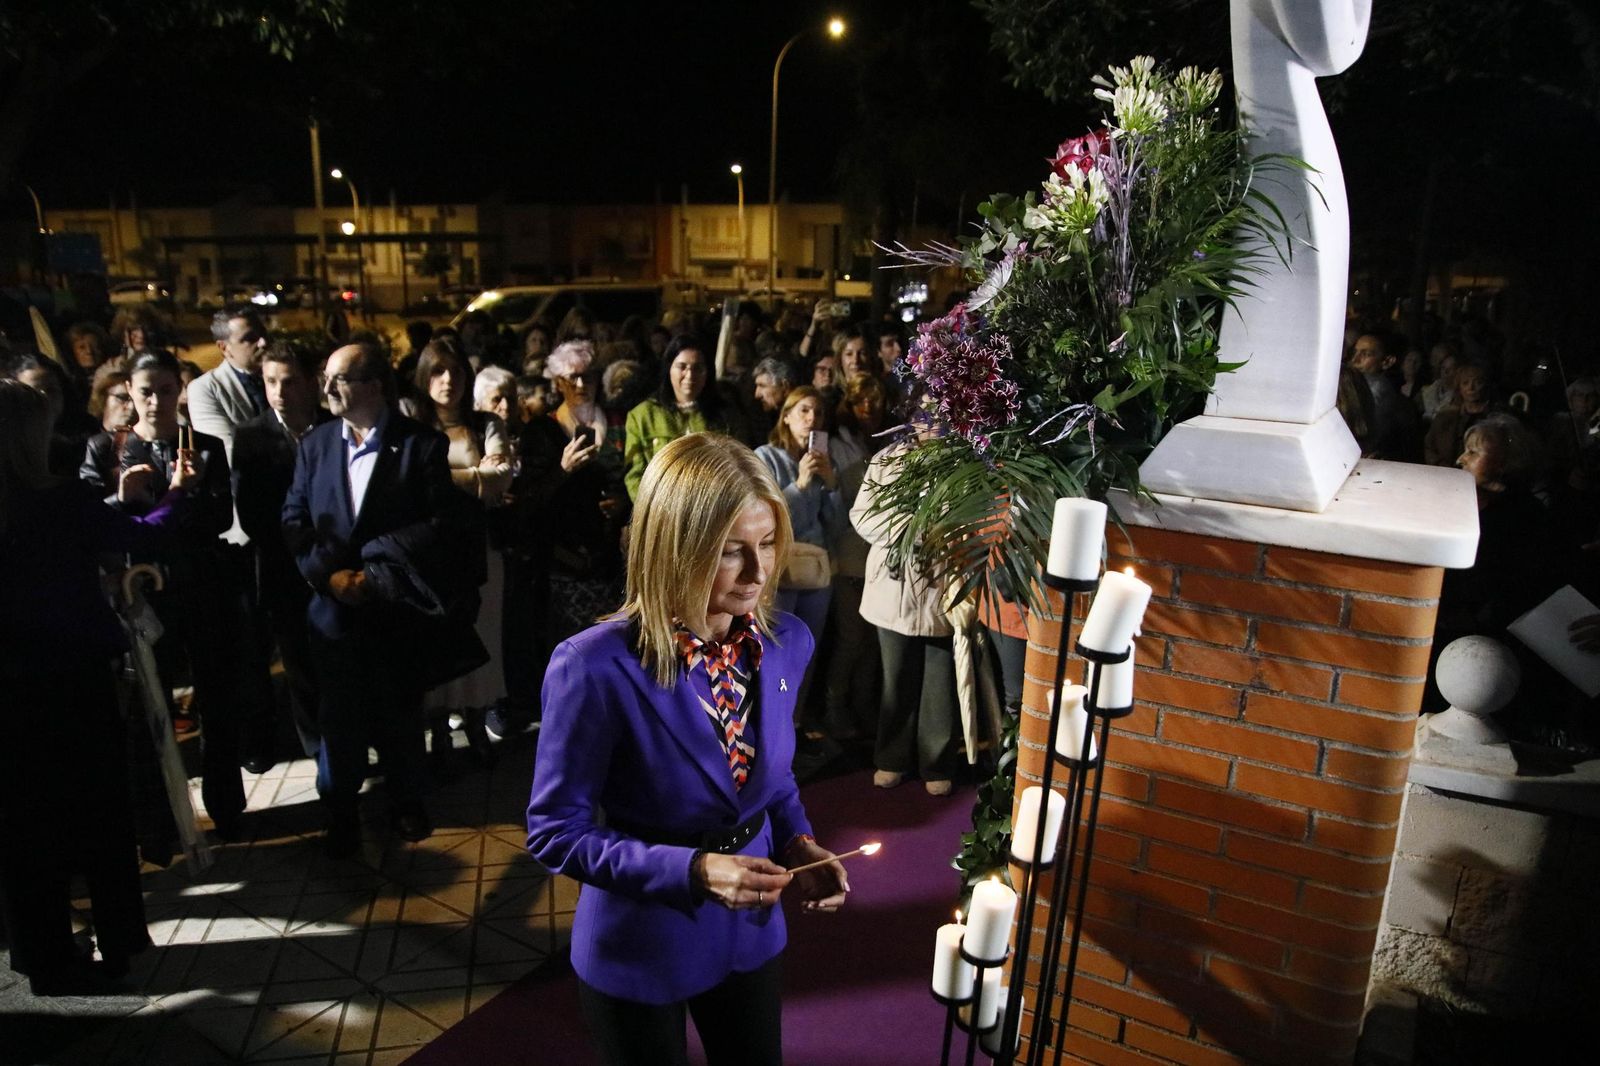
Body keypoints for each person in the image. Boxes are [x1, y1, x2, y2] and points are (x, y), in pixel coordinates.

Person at [525, 432, 848, 1066]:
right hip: (640, 941)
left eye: (766, 545)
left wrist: (797, 841)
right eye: (732, 553)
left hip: (750, 934)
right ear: (675, 548)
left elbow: (771, 776)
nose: (759, 574)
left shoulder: (787, 644)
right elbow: (554, 832)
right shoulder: (592, 667)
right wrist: (695, 871)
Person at [0, 380, 200, 994]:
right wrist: (174, 496)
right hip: (72, 681)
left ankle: (43, 959)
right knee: (98, 817)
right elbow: (140, 539)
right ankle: (116, 941)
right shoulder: (55, 501)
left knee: (25, 828)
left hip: (8, 692)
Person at [282, 340, 487, 856]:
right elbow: (294, 521)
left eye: (338, 379)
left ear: (373, 385)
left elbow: (439, 524)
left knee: (400, 715)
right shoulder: (315, 445)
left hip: (393, 609)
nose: (325, 388)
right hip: (333, 614)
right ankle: (341, 810)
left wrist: (373, 573)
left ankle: (406, 801)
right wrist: (328, 579)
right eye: (326, 378)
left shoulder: (420, 445)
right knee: (339, 721)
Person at [851, 422, 961, 795]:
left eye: (938, 409)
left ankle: (936, 763)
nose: (931, 421)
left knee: (938, 680)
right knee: (896, 679)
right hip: (893, 587)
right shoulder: (888, 458)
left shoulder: (961, 462)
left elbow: (968, 520)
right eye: (924, 409)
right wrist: (907, 529)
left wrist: (941, 532)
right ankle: (891, 758)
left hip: (939, 586)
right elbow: (862, 514)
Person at [233, 342, 332, 758]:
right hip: (283, 567)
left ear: (311, 383)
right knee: (299, 666)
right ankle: (318, 750)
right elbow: (252, 512)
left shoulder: (333, 426)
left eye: (289, 381)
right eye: (270, 382)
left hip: (334, 562)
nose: (279, 392)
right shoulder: (252, 436)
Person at [755, 386, 842, 727]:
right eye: (804, 410)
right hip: (779, 570)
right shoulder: (766, 457)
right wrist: (802, 484)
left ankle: (794, 723)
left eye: (819, 413)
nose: (812, 419)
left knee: (805, 653)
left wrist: (832, 485)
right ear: (786, 415)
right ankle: (768, 726)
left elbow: (836, 525)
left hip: (816, 571)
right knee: (773, 652)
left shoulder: (823, 459)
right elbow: (765, 518)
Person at [623, 334, 731, 499]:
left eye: (698, 368)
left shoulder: (725, 415)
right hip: (660, 510)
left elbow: (736, 470)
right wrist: (657, 512)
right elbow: (634, 475)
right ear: (669, 369)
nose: (690, 375)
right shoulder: (643, 416)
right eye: (682, 367)